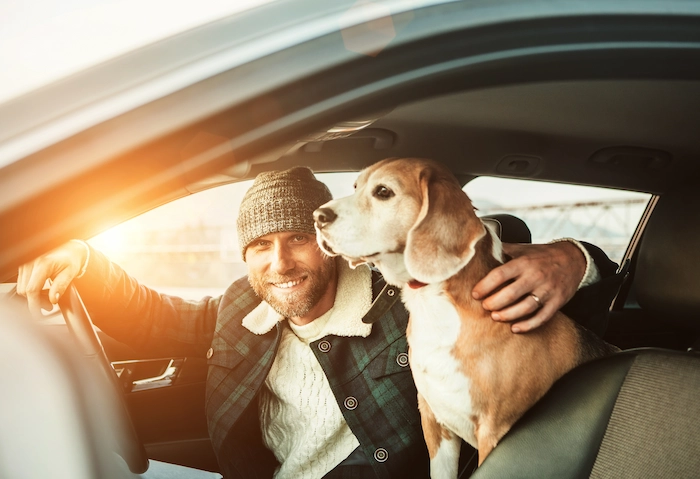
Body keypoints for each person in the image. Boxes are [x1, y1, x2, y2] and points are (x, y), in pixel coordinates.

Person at [17, 166, 624, 479]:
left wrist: (575, 258)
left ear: (329, 237)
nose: (279, 263)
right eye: (259, 246)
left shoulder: (409, 290)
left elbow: (502, 261)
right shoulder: (242, 306)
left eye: (296, 240)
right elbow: (154, 318)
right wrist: (86, 263)